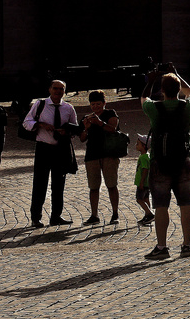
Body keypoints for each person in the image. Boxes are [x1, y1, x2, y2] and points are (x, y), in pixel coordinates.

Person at [142, 73, 190, 259]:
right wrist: (178, 74)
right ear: (177, 89)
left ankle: (162, 246)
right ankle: (186, 246)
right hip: (183, 161)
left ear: (163, 90)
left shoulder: (154, 108)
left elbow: (143, 98)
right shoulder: (187, 107)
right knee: (186, 203)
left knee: (161, 206)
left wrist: (151, 81)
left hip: (160, 161)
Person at [24, 80, 80, 226]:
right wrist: (40, 125)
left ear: (65, 91)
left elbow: (75, 129)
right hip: (43, 148)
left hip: (60, 150)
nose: (58, 91)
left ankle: (56, 216)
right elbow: (26, 122)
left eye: (61, 89)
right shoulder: (40, 104)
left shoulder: (68, 108)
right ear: (49, 89)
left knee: (59, 184)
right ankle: (36, 217)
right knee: (40, 184)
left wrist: (66, 131)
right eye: (55, 88)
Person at [78, 91, 126, 225]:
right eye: (93, 104)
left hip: (109, 154)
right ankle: (94, 215)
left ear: (104, 103)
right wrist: (86, 128)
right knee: (93, 187)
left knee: (111, 185)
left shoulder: (110, 114)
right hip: (92, 155)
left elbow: (113, 129)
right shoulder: (86, 118)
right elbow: (82, 139)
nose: (95, 107)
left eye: (98, 104)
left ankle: (115, 213)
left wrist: (99, 123)